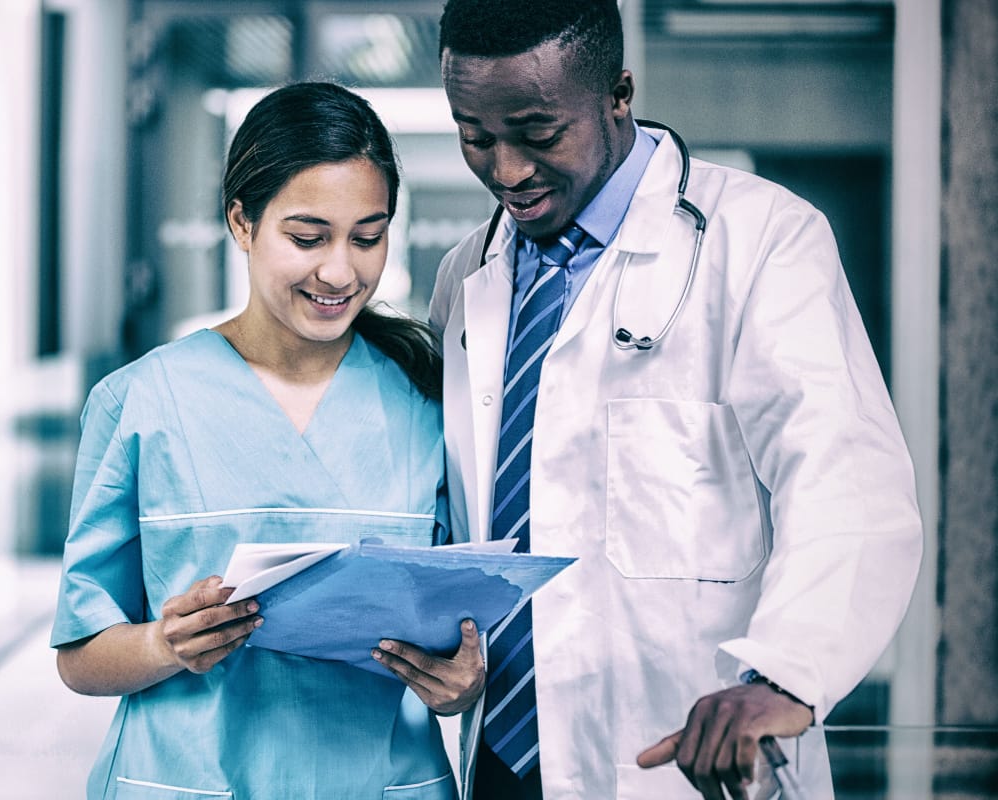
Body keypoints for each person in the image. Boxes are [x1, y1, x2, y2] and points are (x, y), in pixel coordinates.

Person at [397, 1, 923, 798]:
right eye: (476, 137)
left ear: (618, 93)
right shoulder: (466, 279)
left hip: (688, 763)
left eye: (538, 134)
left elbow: (849, 489)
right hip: (503, 769)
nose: (506, 170)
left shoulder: (760, 241)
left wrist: (782, 677)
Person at [50, 82, 484, 800]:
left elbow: (460, 634)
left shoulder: (428, 402)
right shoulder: (141, 401)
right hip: (185, 778)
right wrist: (164, 644)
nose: (341, 271)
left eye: (368, 237)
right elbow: (79, 656)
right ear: (242, 223)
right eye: (308, 238)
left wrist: (460, 686)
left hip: (383, 779)